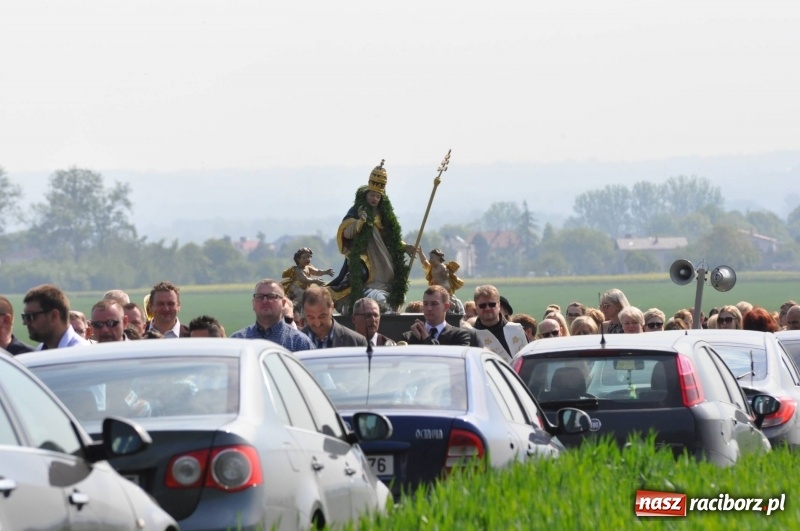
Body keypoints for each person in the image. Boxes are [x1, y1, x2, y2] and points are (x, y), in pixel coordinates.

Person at [327, 160, 415, 313]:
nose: (375, 199)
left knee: (392, 275)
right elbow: (346, 233)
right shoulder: (357, 210)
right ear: (367, 194)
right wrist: (360, 222)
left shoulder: (383, 214)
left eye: (378, 197)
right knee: (360, 272)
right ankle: (355, 297)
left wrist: (404, 246)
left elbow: (390, 237)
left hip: (381, 254)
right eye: (372, 195)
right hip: (363, 253)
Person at [230, 279, 314, 352]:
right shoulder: (237, 341)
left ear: (283, 303)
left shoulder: (299, 343)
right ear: (253, 304)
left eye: (272, 296)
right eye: (260, 297)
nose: (265, 301)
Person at [22, 284, 89, 350]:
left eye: (30, 316)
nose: (25, 322)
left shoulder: (81, 352)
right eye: (24, 316)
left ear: (54, 316)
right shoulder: (39, 351)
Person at [472, 285, 527, 361]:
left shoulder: (517, 330)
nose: (487, 308)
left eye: (492, 304)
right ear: (476, 307)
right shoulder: (472, 336)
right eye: (482, 305)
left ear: (499, 305)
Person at [402, 286, 471, 346]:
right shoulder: (408, 337)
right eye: (425, 304)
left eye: (434, 304)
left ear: (446, 307)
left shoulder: (459, 336)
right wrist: (416, 339)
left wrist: (427, 339)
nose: (429, 308)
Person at [302, 285, 367, 348]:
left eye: (322, 316)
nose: (317, 323)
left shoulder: (356, 342)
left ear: (332, 308)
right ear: (304, 312)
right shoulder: (293, 342)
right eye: (311, 317)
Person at [417, 246, 465, 313]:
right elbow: (424, 262)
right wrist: (420, 253)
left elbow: (446, 276)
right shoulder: (432, 267)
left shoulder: (442, 266)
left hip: (444, 286)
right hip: (436, 287)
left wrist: (446, 273)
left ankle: (449, 308)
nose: (430, 260)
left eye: (432, 258)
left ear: (438, 258)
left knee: (441, 297)